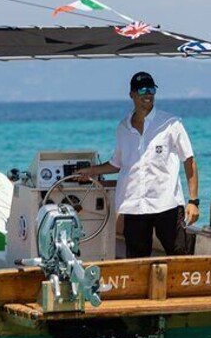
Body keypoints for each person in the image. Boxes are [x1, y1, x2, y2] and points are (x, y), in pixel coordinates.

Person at [76, 72, 199, 258]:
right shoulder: (123, 128)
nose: (148, 94)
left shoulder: (171, 124)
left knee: (179, 256)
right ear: (132, 94)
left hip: (167, 204)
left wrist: (193, 201)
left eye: (152, 89)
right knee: (137, 261)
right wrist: (91, 171)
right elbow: (116, 164)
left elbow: (189, 161)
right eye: (142, 90)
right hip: (134, 206)